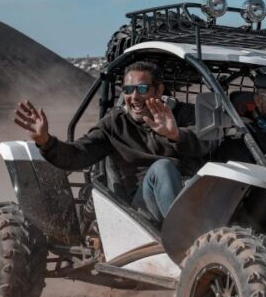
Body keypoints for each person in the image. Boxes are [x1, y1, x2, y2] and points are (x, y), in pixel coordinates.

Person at [13, 61, 207, 222]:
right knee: (162, 168)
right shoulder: (115, 123)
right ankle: (188, 243)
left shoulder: (181, 114)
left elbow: (207, 143)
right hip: (144, 208)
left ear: (158, 91)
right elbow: (78, 155)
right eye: (128, 89)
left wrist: (176, 135)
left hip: (192, 196)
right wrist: (45, 141)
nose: (134, 97)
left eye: (142, 88)